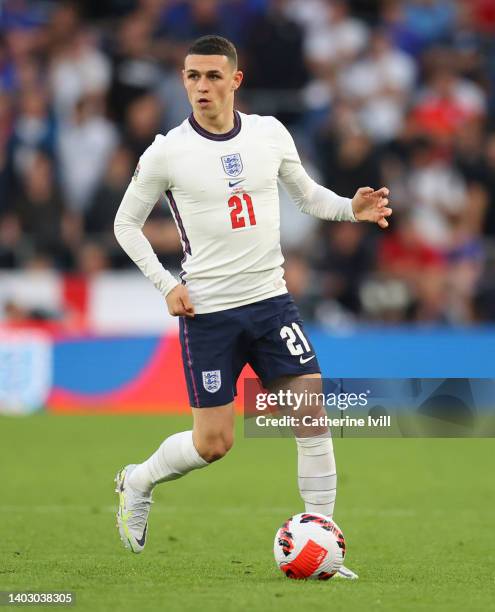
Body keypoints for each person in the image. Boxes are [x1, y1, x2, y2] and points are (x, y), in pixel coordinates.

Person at [113, 35, 391, 579]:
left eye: (213, 76)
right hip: (209, 313)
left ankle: (323, 547)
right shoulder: (166, 151)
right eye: (192, 76)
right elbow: (125, 224)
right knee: (213, 444)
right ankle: (139, 480)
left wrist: (351, 210)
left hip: (271, 303)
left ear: (234, 81)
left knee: (312, 415)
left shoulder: (270, 133)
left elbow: (309, 198)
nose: (201, 86)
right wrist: (165, 284)